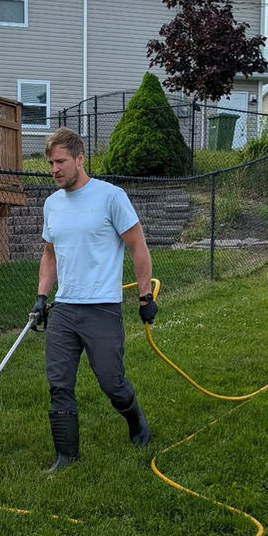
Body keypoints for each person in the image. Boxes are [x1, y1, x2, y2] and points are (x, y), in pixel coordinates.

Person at [30, 127, 158, 473]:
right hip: (65, 309)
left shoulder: (110, 197)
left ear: (80, 159)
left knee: (112, 383)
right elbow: (49, 254)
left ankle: (136, 422)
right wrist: (42, 297)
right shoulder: (52, 204)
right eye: (50, 163)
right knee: (59, 384)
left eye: (61, 161)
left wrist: (145, 297)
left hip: (102, 308)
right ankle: (66, 457)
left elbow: (138, 246)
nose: (54, 169)